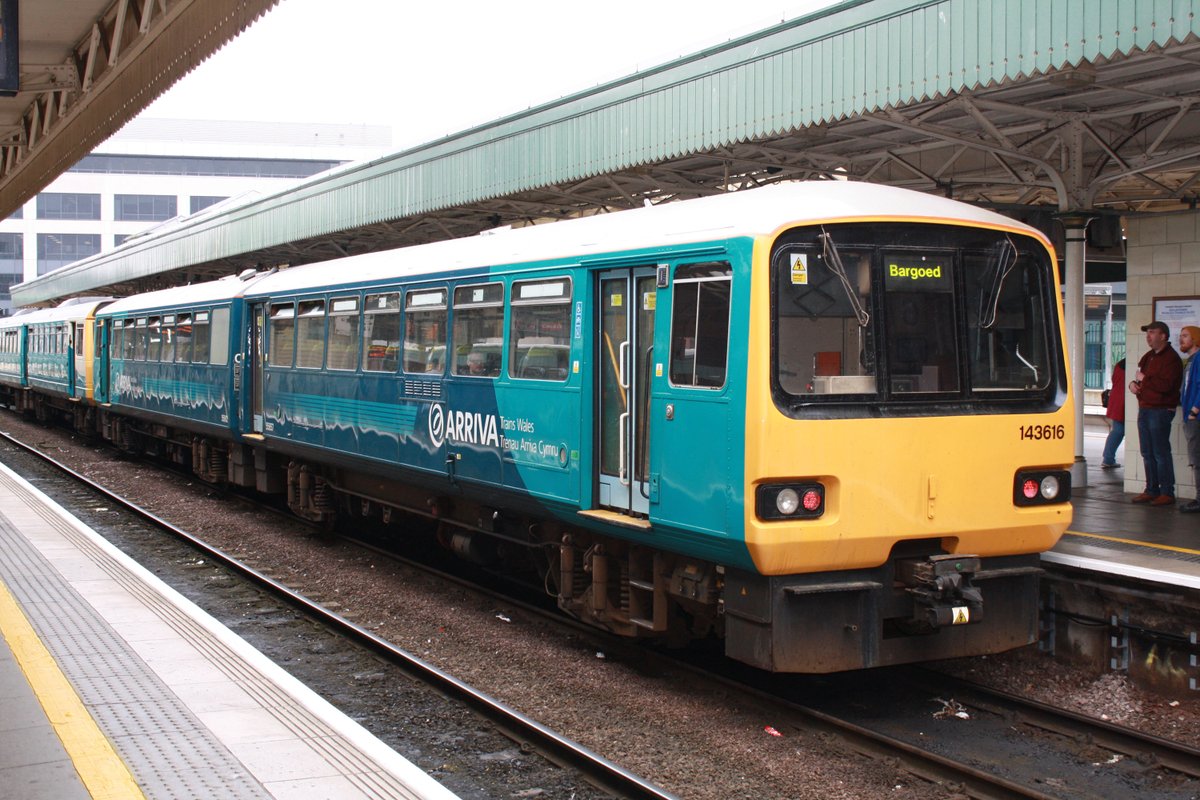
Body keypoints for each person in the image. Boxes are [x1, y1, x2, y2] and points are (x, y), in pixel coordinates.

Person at [1130, 320, 1183, 505]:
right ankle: (1151, 488)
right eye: (1147, 333)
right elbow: (1140, 379)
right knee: (1147, 452)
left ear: (1163, 336)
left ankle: (1167, 491)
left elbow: (1166, 386)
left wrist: (1145, 379)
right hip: (1145, 408)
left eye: (1152, 332)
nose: (1148, 336)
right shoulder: (1148, 357)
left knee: (1160, 452)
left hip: (1160, 410)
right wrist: (1134, 385)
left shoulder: (1172, 359)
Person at [1179, 326, 1200, 512]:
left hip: (1195, 417)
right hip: (1190, 416)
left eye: (1185, 336)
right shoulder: (1190, 361)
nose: (1181, 339)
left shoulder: (1198, 359)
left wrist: (1194, 410)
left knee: (1197, 458)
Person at [1101, 358, 1125, 469]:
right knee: (1118, 431)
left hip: (1116, 400)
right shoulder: (1130, 367)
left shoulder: (1119, 366)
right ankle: (1108, 458)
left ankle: (1108, 458)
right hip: (1123, 401)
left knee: (1117, 430)